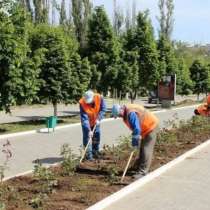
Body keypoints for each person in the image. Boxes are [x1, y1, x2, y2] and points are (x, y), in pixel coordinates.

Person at [111, 103, 159, 179]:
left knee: (146, 149)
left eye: (119, 115)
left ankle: (142, 172)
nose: (119, 117)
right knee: (142, 149)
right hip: (145, 128)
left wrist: (134, 142)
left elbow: (136, 129)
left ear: (121, 110)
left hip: (151, 126)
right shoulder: (126, 111)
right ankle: (138, 166)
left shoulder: (130, 113)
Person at [79, 90, 106, 160]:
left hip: (96, 122)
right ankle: (89, 156)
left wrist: (99, 118)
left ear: (93, 97)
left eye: (90, 101)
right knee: (87, 138)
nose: (89, 103)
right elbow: (84, 119)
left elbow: (103, 109)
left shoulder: (99, 98)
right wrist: (88, 130)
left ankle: (95, 152)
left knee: (96, 137)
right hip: (87, 123)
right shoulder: (82, 103)